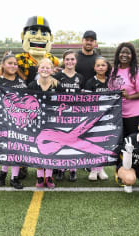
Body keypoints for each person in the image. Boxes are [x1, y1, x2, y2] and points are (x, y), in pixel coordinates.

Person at [0, 52, 27, 189]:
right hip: (4, 122)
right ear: (3, 65)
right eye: (10, 63)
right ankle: (2, 174)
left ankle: (14, 178)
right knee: (7, 148)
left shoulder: (21, 82)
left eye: (15, 64)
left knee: (17, 148)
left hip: (20, 122)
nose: (13, 66)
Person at [28, 58, 63, 188]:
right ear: (38, 69)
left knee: (50, 147)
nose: (45, 70)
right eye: (42, 67)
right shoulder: (32, 85)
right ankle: (39, 176)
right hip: (36, 121)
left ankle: (48, 176)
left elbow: (63, 103)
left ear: (52, 70)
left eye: (48, 68)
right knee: (38, 148)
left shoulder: (57, 85)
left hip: (52, 122)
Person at [52, 50, 85, 181]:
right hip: (60, 113)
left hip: (75, 114)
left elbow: (84, 98)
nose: (70, 62)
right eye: (67, 59)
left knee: (74, 141)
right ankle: (60, 168)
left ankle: (73, 169)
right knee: (60, 141)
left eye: (72, 59)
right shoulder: (57, 76)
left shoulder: (80, 78)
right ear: (63, 61)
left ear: (76, 61)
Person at [109, 42, 139, 139]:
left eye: (128, 53)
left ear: (132, 56)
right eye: (122, 52)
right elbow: (110, 89)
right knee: (120, 140)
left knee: (132, 141)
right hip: (118, 113)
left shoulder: (136, 72)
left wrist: (129, 96)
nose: (124, 55)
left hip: (134, 114)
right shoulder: (113, 71)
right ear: (118, 55)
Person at [84, 56, 112, 181]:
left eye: (103, 65)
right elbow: (86, 101)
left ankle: (100, 169)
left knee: (104, 143)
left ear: (107, 67)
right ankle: (93, 169)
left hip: (108, 117)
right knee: (93, 143)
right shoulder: (90, 82)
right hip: (94, 118)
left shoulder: (111, 81)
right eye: (98, 65)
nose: (100, 67)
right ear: (94, 67)